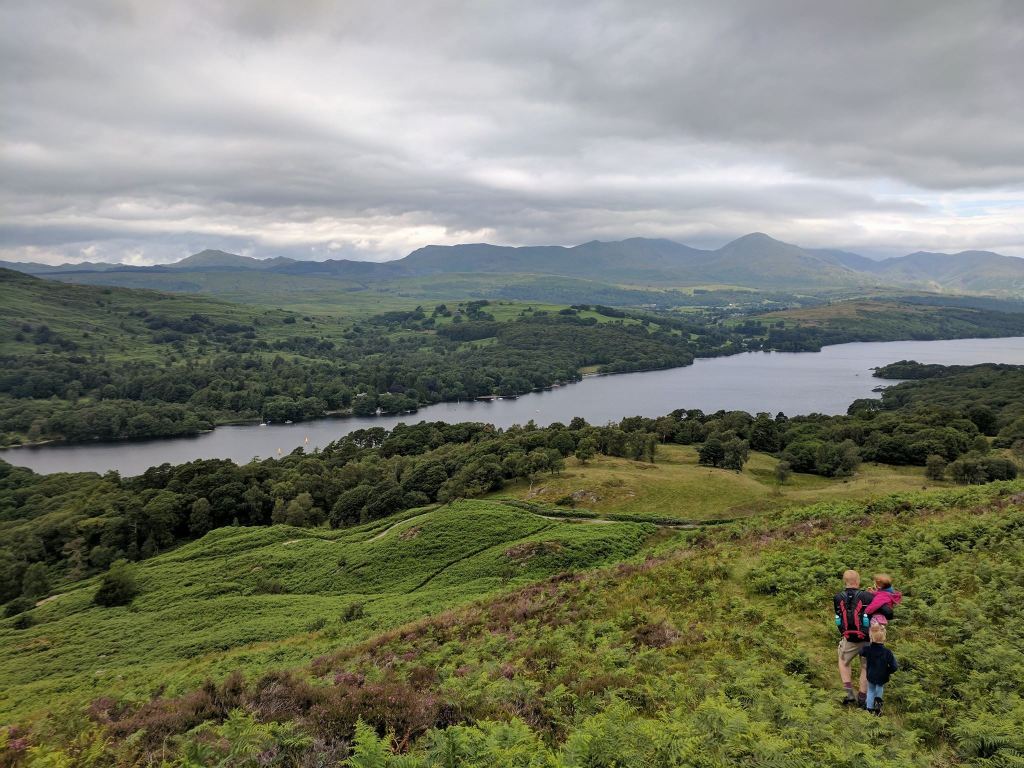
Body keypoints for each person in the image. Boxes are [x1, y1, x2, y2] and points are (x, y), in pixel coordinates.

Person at [833, 569, 872, 706]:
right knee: (866, 667)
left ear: (845, 582)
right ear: (858, 581)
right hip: (867, 638)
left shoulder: (838, 597)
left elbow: (838, 618)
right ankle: (862, 697)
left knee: (843, 661)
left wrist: (843, 632)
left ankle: (848, 693)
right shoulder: (868, 596)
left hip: (849, 637)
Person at [859, 623, 898, 714]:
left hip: (871, 674)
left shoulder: (867, 649)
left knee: (871, 690)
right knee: (880, 687)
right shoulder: (887, 652)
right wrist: (888, 671)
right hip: (882, 675)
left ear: (871, 636)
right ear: (884, 637)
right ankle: (878, 705)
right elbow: (894, 667)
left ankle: (869, 709)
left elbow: (861, 652)